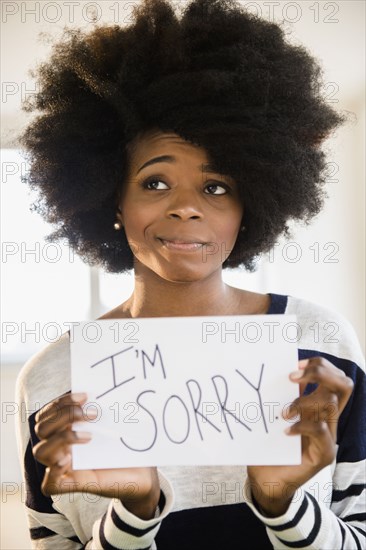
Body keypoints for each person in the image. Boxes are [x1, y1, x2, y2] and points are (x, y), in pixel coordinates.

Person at [15, 0, 365, 548]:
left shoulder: (320, 346)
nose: (186, 208)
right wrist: (135, 515)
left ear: (253, 203)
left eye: (216, 186)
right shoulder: (54, 379)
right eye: (155, 183)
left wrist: (283, 506)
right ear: (111, 198)